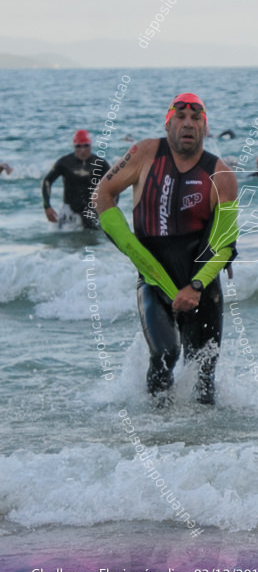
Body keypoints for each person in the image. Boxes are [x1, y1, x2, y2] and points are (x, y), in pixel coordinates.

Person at [94, 93, 238, 404]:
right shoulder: (144, 153)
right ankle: (157, 432)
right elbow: (102, 195)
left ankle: (206, 446)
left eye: (196, 118)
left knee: (203, 376)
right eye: (180, 117)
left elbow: (225, 243)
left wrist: (196, 285)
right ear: (168, 123)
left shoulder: (222, 175)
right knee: (164, 354)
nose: (188, 123)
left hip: (202, 283)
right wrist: (136, 254)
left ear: (205, 127)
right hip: (153, 280)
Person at [42, 130, 111, 229]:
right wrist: (47, 206)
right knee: (62, 242)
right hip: (70, 213)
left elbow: (113, 186)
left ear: (91, 146)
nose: (82, 150)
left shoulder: (100, 164)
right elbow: (47, 181)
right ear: (74, 147)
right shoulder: (64, 163)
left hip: (91, 212)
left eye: (86, 145)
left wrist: (109, 208)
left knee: (94, 241)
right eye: (79, 146)